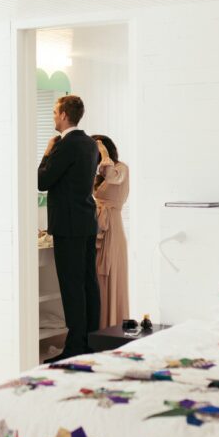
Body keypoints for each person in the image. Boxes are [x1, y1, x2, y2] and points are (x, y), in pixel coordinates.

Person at [38, 95, 101, 361]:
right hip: (86, 221)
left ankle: (75, 347)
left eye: (54, 112)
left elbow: (42, 180)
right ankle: (91, 341)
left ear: (64, 115)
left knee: (72, 286)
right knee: (88, 282)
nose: (53, 117)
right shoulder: (91, 144)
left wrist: (47, 151)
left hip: (68, 224)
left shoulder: (66, 145)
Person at [91, 135, 129, 328]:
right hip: (97, 227)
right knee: (98, 280)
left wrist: (103, 150)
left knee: (111, 277)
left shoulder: (120, 169)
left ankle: (112, 326)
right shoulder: (98, 172)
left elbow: (112, 177)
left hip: (112, 229)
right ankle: (98, 327)